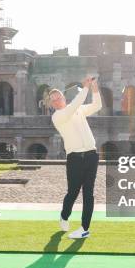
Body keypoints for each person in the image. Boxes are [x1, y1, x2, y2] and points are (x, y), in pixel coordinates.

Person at [49, 76, 101, 238]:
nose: (56, 101)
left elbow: (97, 105)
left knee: (88, 193)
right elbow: (73, 107)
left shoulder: (77, 108)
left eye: (58, 98)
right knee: (73, 191)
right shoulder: (57, 117)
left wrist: (94, 88)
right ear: (52, 104)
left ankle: (84, 228)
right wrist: (85, 88)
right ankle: (64, 216)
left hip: (92, 155)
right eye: (53, 100)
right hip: (75, 158)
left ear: (64, 97)